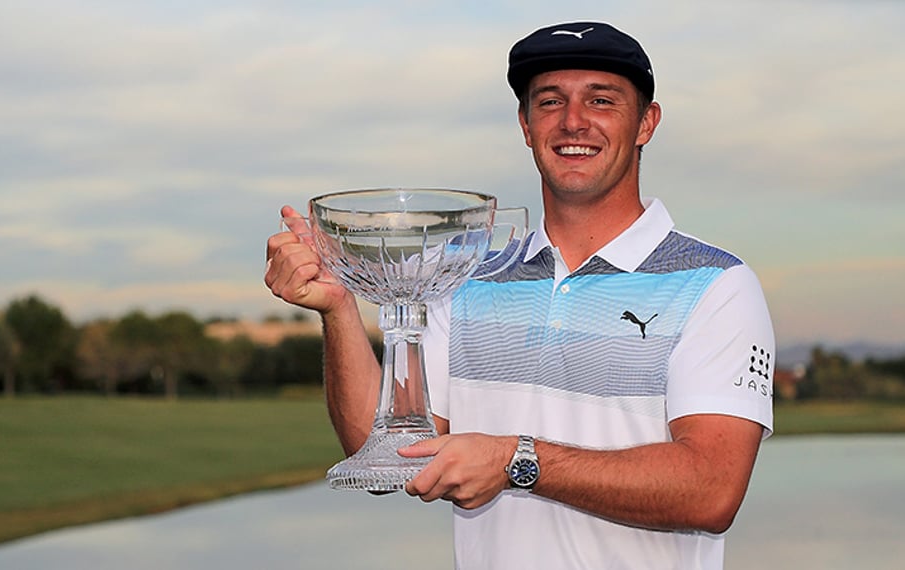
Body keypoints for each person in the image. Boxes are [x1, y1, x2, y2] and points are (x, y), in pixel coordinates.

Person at [265, 21, 774, 569]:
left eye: (601, 100)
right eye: (550, 101)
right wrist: (339, 306)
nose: (573, 121)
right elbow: (386, 453)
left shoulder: (717, 284)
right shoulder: (460, 275)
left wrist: (517, 460)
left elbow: (711, 490)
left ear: (646, 123)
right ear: (526, 125)